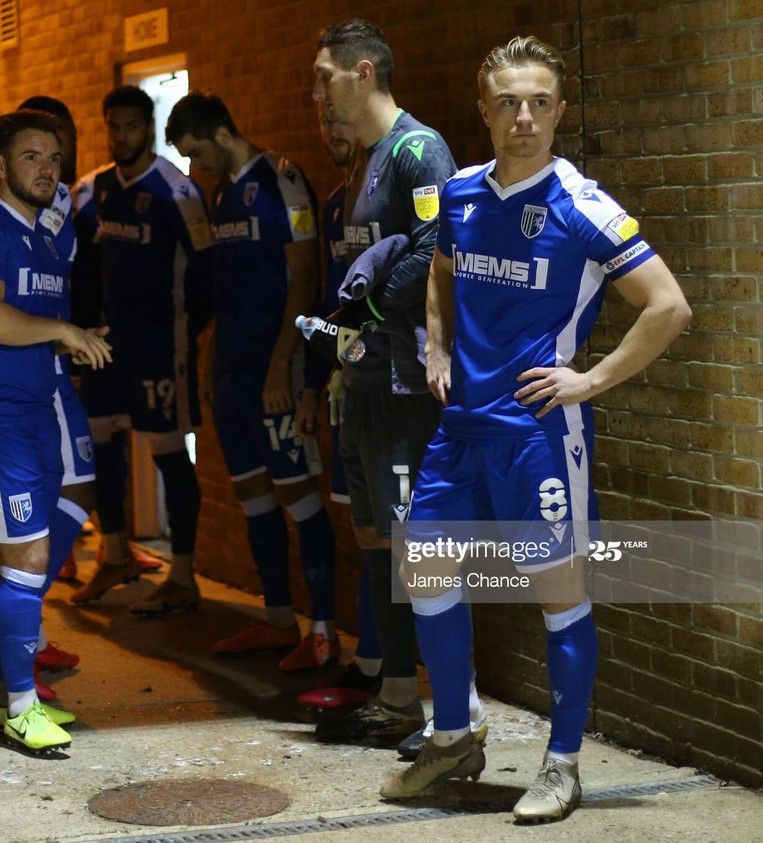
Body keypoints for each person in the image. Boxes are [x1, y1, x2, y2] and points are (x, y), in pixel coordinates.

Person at [380, 37, 692, 822]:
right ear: (483, 110)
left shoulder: (581, 206)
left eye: (540, 102)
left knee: (559, 592)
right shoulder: (456, 195)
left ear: (559, 111)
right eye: (508, 102)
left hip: (539, 434)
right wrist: (441, 344)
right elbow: (443, 271)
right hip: (461, 429)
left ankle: (562, 763)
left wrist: (587, 380)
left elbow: (668, 306)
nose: (525, 117)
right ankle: (453, 734)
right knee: (423, 567)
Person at [310, 19, 475, 746]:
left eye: (326, 75)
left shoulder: (419, 149)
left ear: (365, 72)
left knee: (418, 545)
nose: (317, 89)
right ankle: (398, 698)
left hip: (410, 384)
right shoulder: (367, 160)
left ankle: (453, 711)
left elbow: (442, 248)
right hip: (366, 381)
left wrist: (368, 309)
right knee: (376, 536)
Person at [0, 109, 112, 755]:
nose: (46, 168)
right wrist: (64, 332)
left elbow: (37, 320)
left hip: (40, 404)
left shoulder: (44, 233)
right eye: (31, 156)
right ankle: (20, 707)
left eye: (53, 158)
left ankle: (0, 689)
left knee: (37, 538)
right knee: (28, 556)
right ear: (0, 164)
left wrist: (80, 337)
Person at [168, 92, 341, 670]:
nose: (197, 168)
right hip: (234, 373)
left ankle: (321, 634)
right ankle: (275, 620)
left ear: (220, 132)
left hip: (276, 372)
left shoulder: (282, 180)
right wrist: (212, 352)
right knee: (252, 492)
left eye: (197, 153)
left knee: (298, 494)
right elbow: (228, 286)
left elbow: (305, 279)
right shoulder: (219, 195)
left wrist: (279, 366)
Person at [69, 86, 214, 616]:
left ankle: (182, 575)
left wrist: (188, 331)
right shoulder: (90, 190)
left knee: (168, 452)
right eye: (114, 126)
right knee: (102, 445)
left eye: (131, 125)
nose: (121, 135)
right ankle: (113, 554)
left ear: (148, 129)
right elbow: (78, 265)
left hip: (160, 344)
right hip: (105, 346)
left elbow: (204, 271)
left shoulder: (179, 190)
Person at [296, 109, 383, 707]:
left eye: (343, 119)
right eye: (325, 120)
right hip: (348, 387)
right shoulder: (330, 205)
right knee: (364, 529)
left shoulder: (397, 197)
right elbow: (330, 302)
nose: (334, 131)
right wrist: (318, 377)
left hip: (393, 388)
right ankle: (371, 663)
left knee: (391, 533)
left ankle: (388, 674)